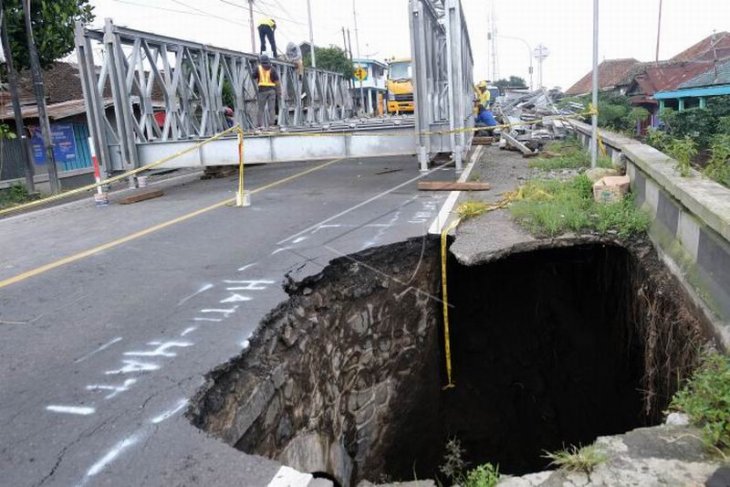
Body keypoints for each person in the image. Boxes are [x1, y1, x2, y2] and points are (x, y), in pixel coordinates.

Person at [252, 54, 280, 129]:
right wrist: (279, 91)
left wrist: (255, 69)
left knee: (261, 108)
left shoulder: (258, 68)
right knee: (272, 108)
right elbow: (277, 81)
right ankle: (271, 124)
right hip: (272, 91)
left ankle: (259, 125)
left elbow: (253, 76)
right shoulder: (272, 69)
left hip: (262, 91)